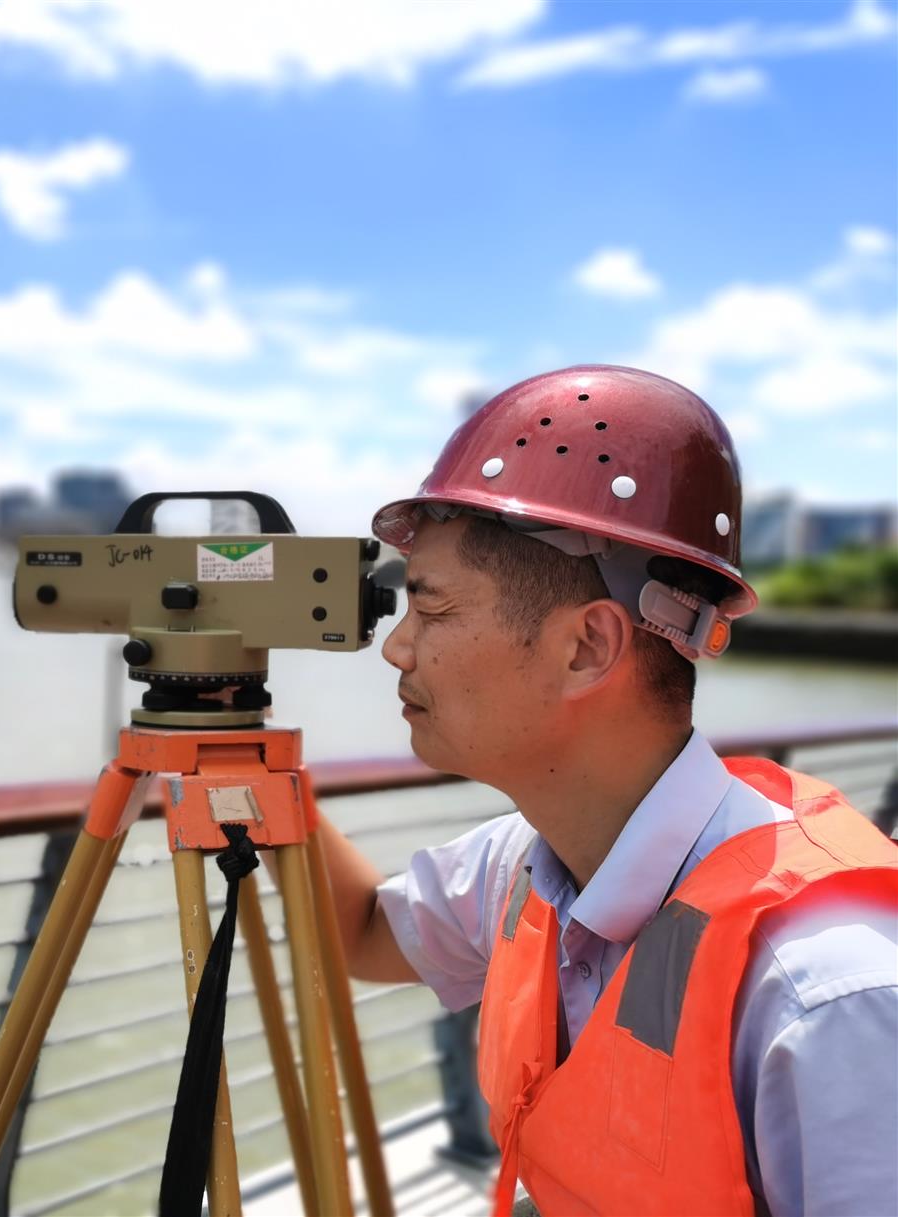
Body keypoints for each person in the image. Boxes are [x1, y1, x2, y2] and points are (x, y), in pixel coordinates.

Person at [318, 365, 898, 1216]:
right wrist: (241, 745)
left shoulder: (824, 995)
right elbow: (365, 931)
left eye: (432, 609)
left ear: (588, 646)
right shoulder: (534, 863)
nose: (397, 649)